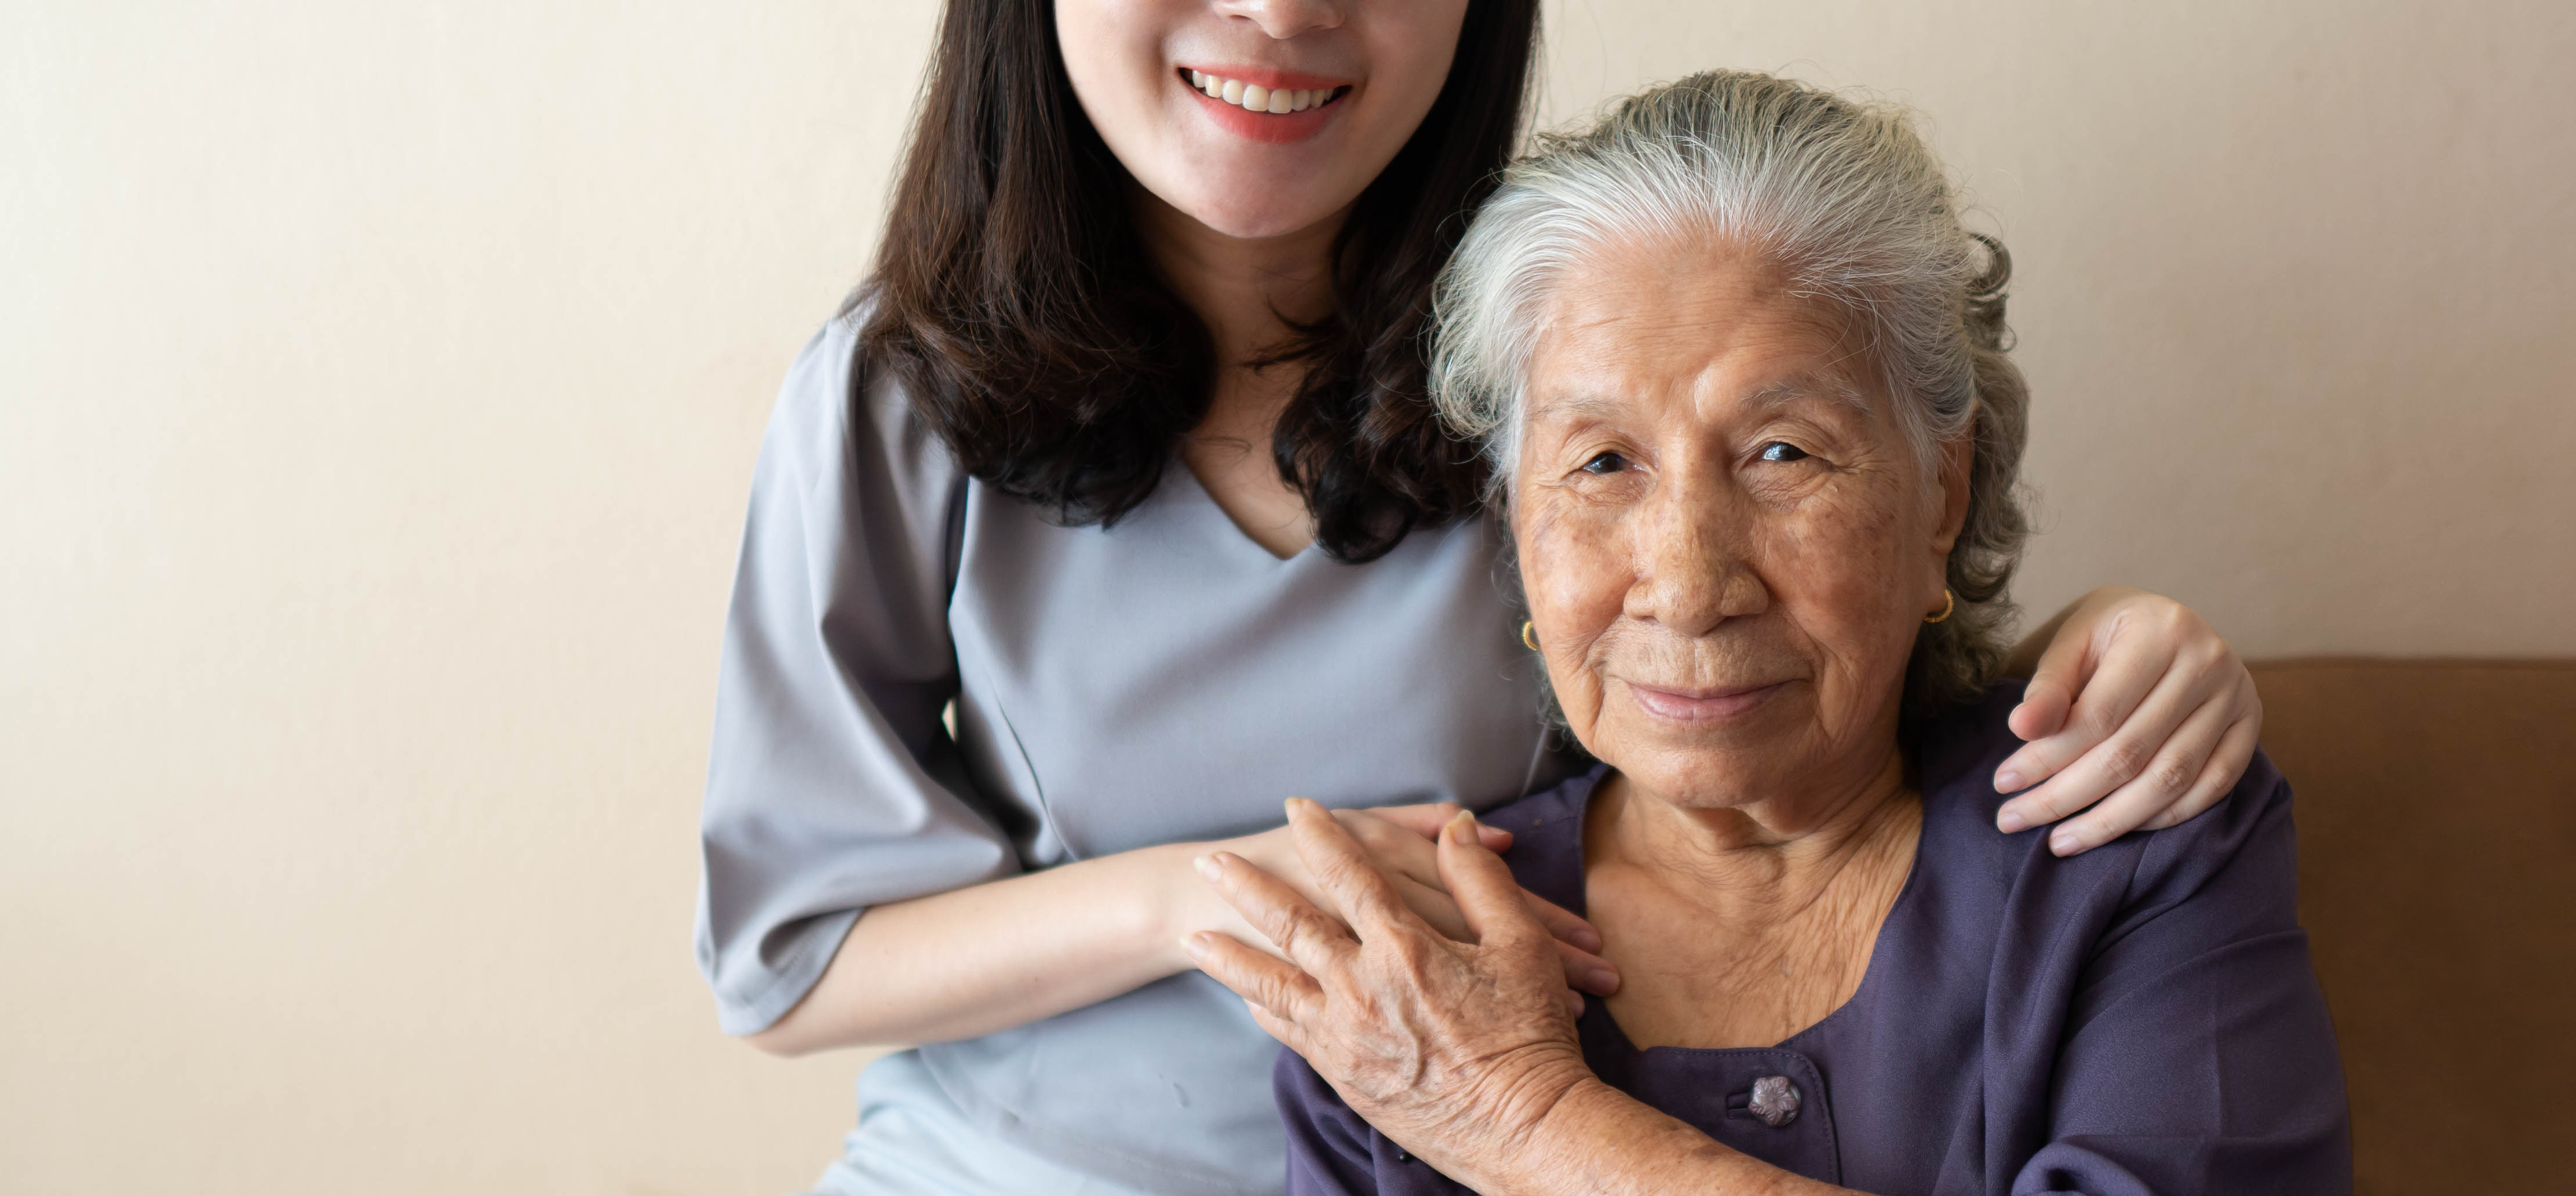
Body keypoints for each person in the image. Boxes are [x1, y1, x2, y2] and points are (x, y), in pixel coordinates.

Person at [702, 4, 2268, 1194]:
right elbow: (785, 957)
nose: (1281, 10)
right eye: (1600, 469)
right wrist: (1211, 901)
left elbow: (1805, 653)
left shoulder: (1565, 339)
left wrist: (2104, 641)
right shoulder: (901, 392)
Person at [1184, 70, 2351, 1195]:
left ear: (1942, 492)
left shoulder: (2124, 828)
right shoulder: (1412, 969)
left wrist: (1523, 1123)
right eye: (1600, 464)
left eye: (1782, 453)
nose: (1689, 587)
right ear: (1514, 525)